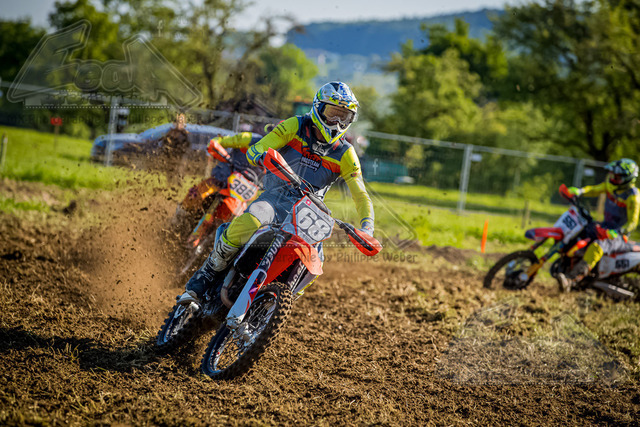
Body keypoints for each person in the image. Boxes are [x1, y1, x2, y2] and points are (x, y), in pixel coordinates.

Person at [180, 81, 375, 303]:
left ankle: (275, 302)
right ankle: (208, 272)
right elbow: (257, 148)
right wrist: (261, 155)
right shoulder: (296, 125)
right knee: (251, 220)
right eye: (333, 114)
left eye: (344, 117)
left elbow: (361, 195)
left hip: (310, 212)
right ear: (318, 108)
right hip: (275, 198)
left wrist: (367, 227)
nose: (337, 123)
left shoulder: (346, 153)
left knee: (315, 262)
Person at [559, 158, 640, 289]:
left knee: (597, 246)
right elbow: (595, 190)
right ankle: (565, 264)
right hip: (604, 226)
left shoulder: (633, 196)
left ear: (628, 178)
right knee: (581, 230)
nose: (613, 178)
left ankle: (572, 279)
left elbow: (633, 222)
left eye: (617, 177)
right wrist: (580, 191)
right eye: (613, 175)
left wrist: (619, 231)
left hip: (617, 235)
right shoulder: (610, 185)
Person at [173, 131, 263, 242]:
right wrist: (216, 143)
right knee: (197, 194)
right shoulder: (249, 138)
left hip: (237, 193)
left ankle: (213, 242)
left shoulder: (278, 158)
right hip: (222, 177)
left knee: (232, 219)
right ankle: (179, 216)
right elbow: (221, 141)